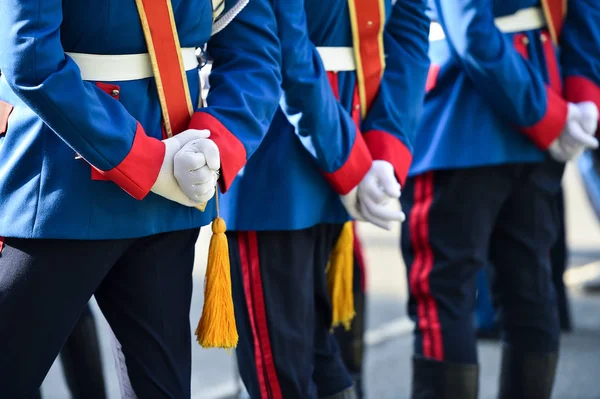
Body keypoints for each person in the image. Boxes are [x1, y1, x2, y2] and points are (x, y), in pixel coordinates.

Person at [0, 0, 283, 396]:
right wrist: (148, 162)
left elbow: (254, 57)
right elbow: (30, 57)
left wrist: (212, 145)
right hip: (61, 183)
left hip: (173, 185)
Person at [219, 0, 430, 397]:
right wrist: (375, 151)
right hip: (344, 139)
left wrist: (376, 153)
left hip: (284, 158)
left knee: (283, 373)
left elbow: (289, 48)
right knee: (317, 357)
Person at [400, 1, 600, 397]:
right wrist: (578, 99)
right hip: (541, 95)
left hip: (460, 117)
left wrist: (550, 114)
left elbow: (470, 27)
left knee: (444, 297)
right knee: (530, 287)